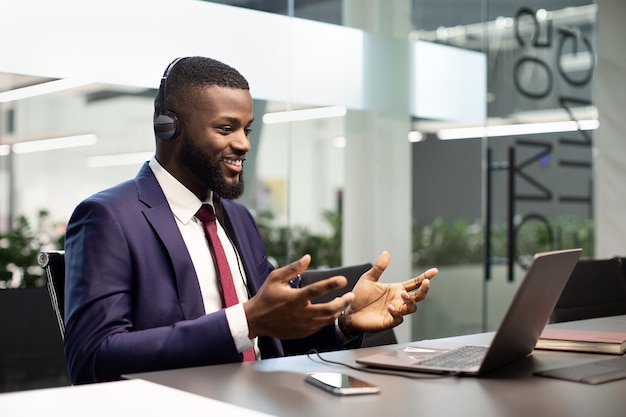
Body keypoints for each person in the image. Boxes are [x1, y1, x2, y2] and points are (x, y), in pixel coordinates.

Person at [64, 56, 438, 384]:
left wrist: (344, 321)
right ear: (170, 130)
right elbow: (93, 359)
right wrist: (244, 321)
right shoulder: (108, 217)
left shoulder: (238, 218)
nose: (243, 144)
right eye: (226, 129)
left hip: (265, 397)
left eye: (247, 129)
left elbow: (273, 336)